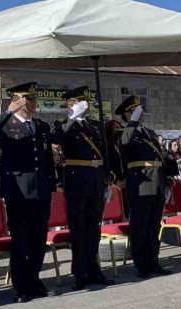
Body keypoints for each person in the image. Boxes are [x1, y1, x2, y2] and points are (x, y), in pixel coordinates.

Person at [0, 82, 56, 301]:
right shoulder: (7, 125)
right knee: (21, 240)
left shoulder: (41, 126)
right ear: (16, 101)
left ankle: (34, 279)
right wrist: (8, 112)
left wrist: (51, 186)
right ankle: (22, 286)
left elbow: (46, 161)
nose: (32, 103)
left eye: (33, 99)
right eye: (27, 99)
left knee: (38, 239)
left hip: (40, 190)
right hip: (18, 191)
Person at [52, 86, 114, 290]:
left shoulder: (94, 126)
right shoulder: (62, 125)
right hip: (77, 181)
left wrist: (107, 177)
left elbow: (104, 152)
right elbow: (58, 141)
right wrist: (72, 119)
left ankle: (93, 269)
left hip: (95, 181)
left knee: (93, 229)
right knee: (78, 230)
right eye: (80, 102)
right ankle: (79, 273)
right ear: (71, 104)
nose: (85, 105)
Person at [116, 95, 174, 278]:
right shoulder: (124, 132)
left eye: (139, 111)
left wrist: (166, 179)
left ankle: (153, 261)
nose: (140, 114)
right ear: (127, 114)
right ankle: (141, 264)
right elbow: (124, 143)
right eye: (134, 111)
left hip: (156, 181)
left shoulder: (148, 132)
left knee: (153, 225)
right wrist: (132, 122)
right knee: (139, 225)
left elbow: (159, 159)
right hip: (140, 183)